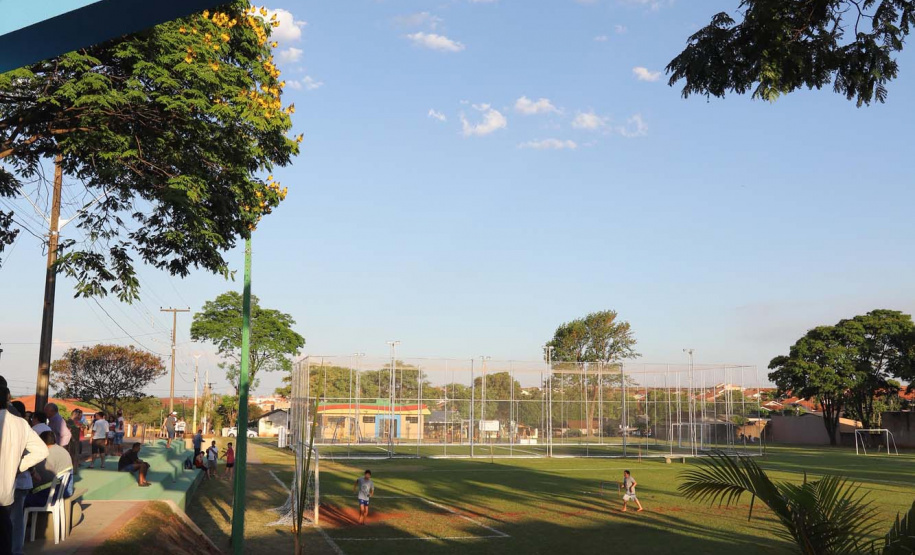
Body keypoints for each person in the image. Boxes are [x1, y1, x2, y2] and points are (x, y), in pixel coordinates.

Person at [1, 395, 48, 555]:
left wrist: (16, 467)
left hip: (15, 483)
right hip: (15, 484)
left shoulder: (17, 424)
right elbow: (40, 451)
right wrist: (18, 467)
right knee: (14, 524)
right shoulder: (21, 425)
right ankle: (16, 550)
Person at [26, 431, 73, 507]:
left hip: (54, 493)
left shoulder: (46, 453)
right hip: (65, 488)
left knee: (21, 498)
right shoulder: (61, 449)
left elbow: (42, 476)